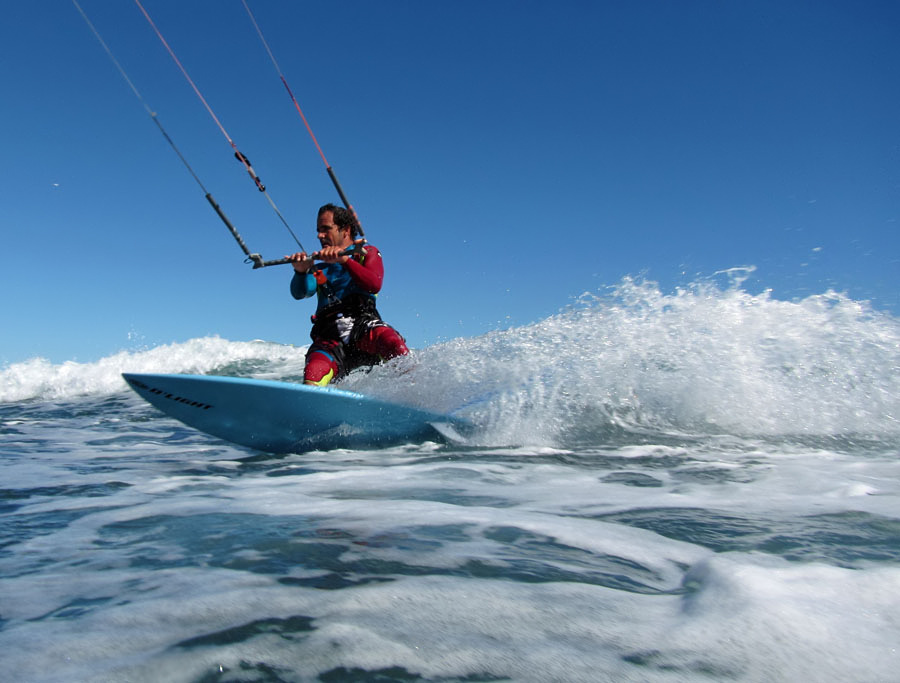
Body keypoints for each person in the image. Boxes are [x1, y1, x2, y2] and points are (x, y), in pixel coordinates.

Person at [287, 203, 408, 386]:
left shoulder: (366, 253)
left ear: (346, 230)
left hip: (364, 327)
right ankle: (311, 407)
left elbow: (373, 284)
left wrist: (344, 260)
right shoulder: (318, 268)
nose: (320, 235)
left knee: (392, 342)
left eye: (326, 229)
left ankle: (418, 391)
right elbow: (301, 293)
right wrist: (301, 272)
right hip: (329, 336)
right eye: (318, 230)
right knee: (314, 371)